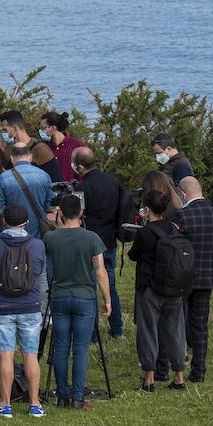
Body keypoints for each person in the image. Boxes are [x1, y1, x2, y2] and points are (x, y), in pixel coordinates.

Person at [42, 194, 111, 409]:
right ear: (81, 213)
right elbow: (100, 272)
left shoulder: (51, 238)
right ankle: (77, 397)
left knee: (62, 347)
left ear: (60, 212)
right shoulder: (92, 239)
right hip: (84, 297)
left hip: (60, 296)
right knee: (80, 348)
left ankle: (62, 396)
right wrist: (107, 299)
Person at [0, 203, 47, 418]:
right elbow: (38, 272)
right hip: (30, 306)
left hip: (3, 306)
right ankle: (35, 404)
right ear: (27, 223)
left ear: (4, 221)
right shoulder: (37, 245)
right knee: (31, 355)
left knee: (6, 356)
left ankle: (4, 404)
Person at [129, 190, 187, 392]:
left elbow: (133, 255)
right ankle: (179, 375)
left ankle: (149, 378)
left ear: (147, 209)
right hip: (174, 286)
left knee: (148, 331)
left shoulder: (145, 233)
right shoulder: (174, 229)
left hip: (151, 287)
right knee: (175, 331)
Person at [72, 146, 131, 341]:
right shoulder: (112, 181)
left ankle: (93, 334)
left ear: (80, 167)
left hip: (89, 241)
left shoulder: (82, 188)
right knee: (110, 284)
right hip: (109, 239)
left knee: (89, 287)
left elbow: (77, 216)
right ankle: (117, 329)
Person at [175, 176, 213, 383]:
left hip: (183, 276)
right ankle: (199, 370)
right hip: (207, 275)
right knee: (200, 324)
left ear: (183, 194)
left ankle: (178, 361)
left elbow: (175, 248)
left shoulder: (181, 215)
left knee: (179, 320)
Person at [40, 111, 85, 185]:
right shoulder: (43, 146)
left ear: (54, 128)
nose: (41, 131)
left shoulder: (77, 146)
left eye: (43, 128)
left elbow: (83, 174)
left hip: (71, 193)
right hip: (49, 193)